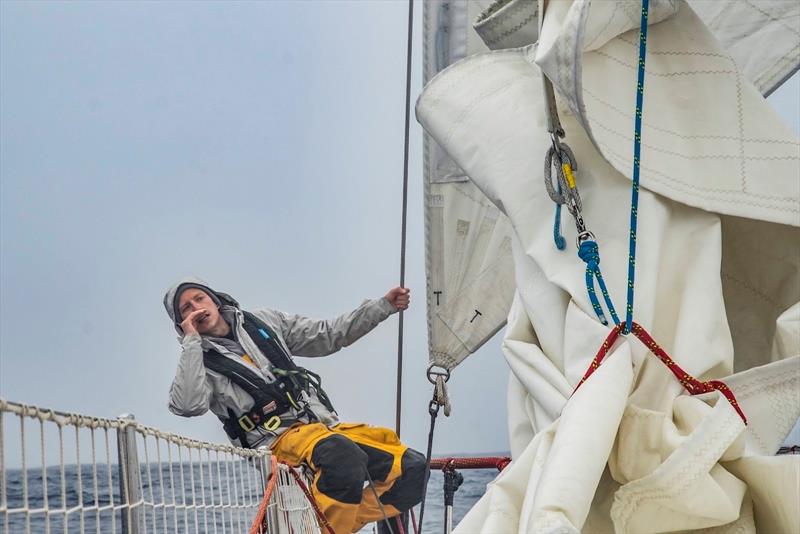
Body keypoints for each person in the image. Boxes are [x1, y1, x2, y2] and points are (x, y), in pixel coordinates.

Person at [164, 277, 426, 534]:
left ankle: (325, 527)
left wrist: (383, 306)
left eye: (199, 298)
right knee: (342, 456)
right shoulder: (196, 361)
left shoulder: (265, 321)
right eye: (186, 308)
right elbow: (188, 405)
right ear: (181, 322)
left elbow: (329, 334)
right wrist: (191, 342)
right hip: (276, 443)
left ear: (215, 299)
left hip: (322, 429)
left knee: (414, 469)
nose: (196, 308)